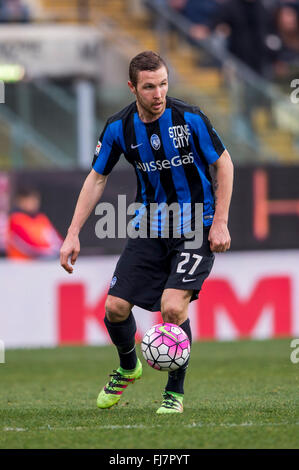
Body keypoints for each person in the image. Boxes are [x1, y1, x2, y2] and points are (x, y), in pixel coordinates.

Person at [60, 51, 234, 414]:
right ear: (132, 88)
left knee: (172, 307)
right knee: (115, 307)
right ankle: (128, 366)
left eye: (164, 84)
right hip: (151, 226)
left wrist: (220, 221)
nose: (159, 94)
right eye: (150, 87)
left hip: (195, 226)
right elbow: (97, 177)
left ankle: (174, 394)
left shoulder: (189, 118)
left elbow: (224, 163)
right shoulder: (118, 128)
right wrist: (72, 232)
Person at [6, 186, 62, 260]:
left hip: (42, 263)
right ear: (20, 201)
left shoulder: (41, 218)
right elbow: (27, 246)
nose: (33, 203)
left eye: (35, 200)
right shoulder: (16, 219)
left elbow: (56, 239)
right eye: (29, 200)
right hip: (20, 265)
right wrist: (49, 251)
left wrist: (60, 249)